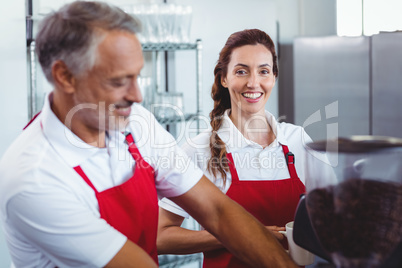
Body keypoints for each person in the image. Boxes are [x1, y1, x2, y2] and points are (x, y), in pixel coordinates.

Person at [0, 2, 298, 268]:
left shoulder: (135, 122)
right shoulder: (33, 178)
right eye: (119, 81)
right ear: (65, 76)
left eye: (137, 76)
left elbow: (216, 210)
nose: (138, 95)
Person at [158, 29, 336, 267]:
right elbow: (160, 235)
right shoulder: (200, 149)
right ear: (224, 78)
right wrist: (235, 235)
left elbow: (336, 213)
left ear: (273, 77)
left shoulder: (297, 139)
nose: (253, 83)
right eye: (241, 71)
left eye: (263, 71)